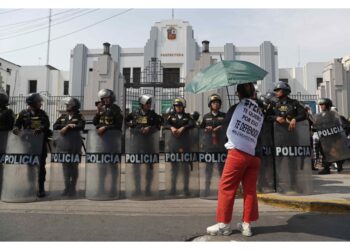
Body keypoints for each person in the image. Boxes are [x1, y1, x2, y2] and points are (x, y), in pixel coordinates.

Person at [206, 82, 264, 237]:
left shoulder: (235, 109)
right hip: (255, 155)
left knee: (227, 188)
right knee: (250, 190)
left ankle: (224, 225)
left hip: (238, 153)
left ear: (238, 94)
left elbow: (226, 132)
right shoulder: (259, 110)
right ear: (253, 93)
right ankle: (246, 225)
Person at [13, 93, 50, 198]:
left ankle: (41, 188)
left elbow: (46, 125)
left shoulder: (43, 114)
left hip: (40, 145)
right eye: (38, 101)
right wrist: (16, 130)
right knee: (30, 167)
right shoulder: (23, 114)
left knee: (41, 167)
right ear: (32, 102)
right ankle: (30, 187)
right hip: (27, 145)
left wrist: (41, 128)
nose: (40, 103)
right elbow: (16, 126)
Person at [125, 94, 163, 196]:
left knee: (149, 167)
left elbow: (160, 122)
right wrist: (135, 128)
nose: (149, 105)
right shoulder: (135, 113)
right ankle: (137, 188)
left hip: (148, 143)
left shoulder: (152, 114)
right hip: (136, 143)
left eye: (150, 103)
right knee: (136, 167)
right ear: (142, 104)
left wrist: (150, 127)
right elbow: (126, 121)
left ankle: (148, 188)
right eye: (147, 103)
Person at [92, 89, 123, 195]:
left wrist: (105, 127)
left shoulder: (116, 109)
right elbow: (94, 122)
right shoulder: (102, 109)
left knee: (113, 167)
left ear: (111, 98)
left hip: (112, 143)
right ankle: (101, 189)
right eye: (103, 98)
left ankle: (113, 189)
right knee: (101, 168)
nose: (105, 100)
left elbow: (118, 125)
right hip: (101, 143)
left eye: (107, 98)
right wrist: (97, 112)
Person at [53, 97, 85, 196]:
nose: (67, 107)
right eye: (66, 105)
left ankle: (73, 188)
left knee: (74, 168)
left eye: (69, 105)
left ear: (74, 106)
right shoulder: (63, 116)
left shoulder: (79, 116)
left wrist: (69, 127)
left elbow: (81, 126)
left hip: (75, 146)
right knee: (65, 168)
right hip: (64, 147)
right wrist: (67, 126)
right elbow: (55, 126)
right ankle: (67, 188)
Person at [166, 97, 195, 196]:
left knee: (185, 168)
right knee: (174, 169)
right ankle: (173, 189)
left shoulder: (187, 117)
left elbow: (192, 123)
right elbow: (165, 123)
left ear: (183, 107)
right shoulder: (171, 116)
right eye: (176, 106)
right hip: (174, 145)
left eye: (180, 106)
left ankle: (186, 189)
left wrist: (183, 127)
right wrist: (171, 127)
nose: (178, 108)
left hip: (185, 145)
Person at [200, 94, 226, 195]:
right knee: (208, 170)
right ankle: (207, 189)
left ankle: (223, 190)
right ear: (210, 105)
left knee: (222, 169)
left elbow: (229, 127)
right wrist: (206, 130)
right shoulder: (206, 117)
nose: (216, 104)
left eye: (217, 102)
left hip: (221, 147)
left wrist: (221, 128)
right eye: (214, 103)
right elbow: (201, 129)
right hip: (209, 147)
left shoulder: (224, 116)